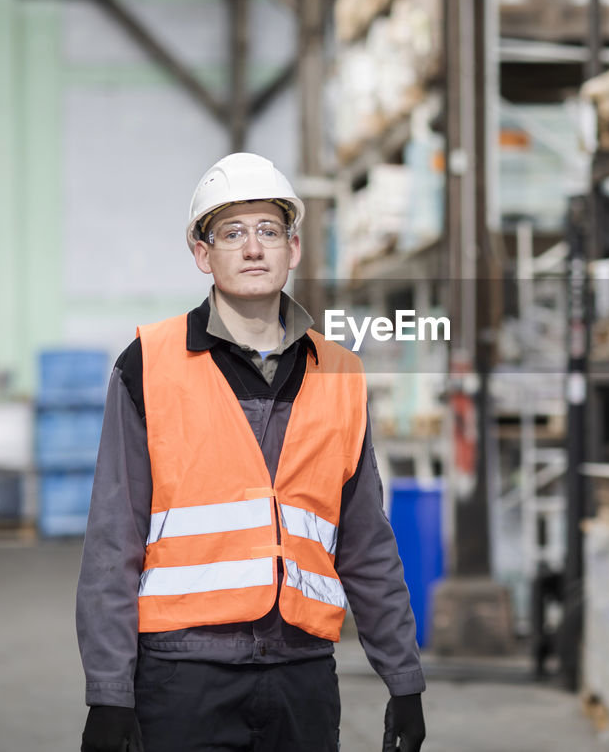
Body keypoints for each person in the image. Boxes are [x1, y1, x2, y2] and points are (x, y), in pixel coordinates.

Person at [76, 152, 426, 752]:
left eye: (268, 230)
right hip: (183, 675)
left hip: (302, 674)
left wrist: (404, 679)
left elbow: (367, 541)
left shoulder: (340, 372)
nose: (253, 248)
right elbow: (114, 541)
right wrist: (109, 693)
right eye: (231, 232)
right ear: (201, 254)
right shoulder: (148, 366)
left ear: (294, 248)